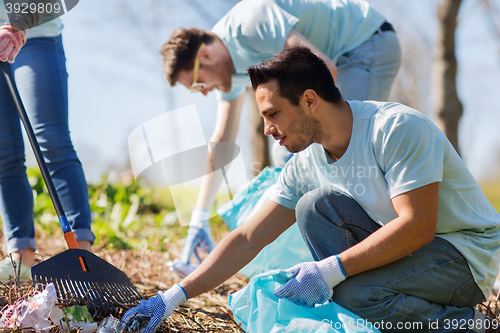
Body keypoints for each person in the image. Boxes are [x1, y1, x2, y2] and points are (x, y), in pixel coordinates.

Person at [123, 47, 500, 333]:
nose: (268, 129)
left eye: (272, 114)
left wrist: (330, 270)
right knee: (314, 206)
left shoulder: (394, 129)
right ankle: (377, 300)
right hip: (412, 253)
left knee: (352, 297)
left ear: (309, 100)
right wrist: (175, 295)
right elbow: (248, 238)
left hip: (464, 257)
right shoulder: (307, 163)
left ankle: (468, 325)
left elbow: (418, 226)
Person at [162, 0, 402, 277]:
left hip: (365, 42)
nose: (204, 93)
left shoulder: (250, 22)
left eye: (198, 85)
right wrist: (199, 216)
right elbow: (222, 142)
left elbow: (325, 70)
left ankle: (376, 255)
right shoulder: (227, 71)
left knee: (346, 144)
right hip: (334, 60)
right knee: (283, 162)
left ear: (204, 57)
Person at [0, 3, 94, 282]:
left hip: (37, 37)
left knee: (51, 141)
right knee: (4, 154)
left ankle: (82, 255)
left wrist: (17, 22)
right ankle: (21, 262)